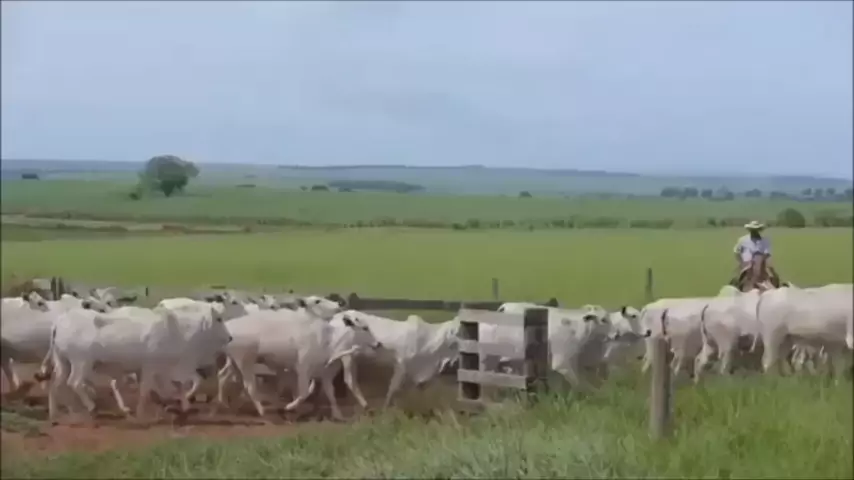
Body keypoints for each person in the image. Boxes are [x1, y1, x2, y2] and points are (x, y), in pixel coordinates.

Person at [732, 220, 777, 289]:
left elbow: (767, 253)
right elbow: (736, 251)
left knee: (772, 275)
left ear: (759, 230)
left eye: (756, 230)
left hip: (761, 262)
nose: (754, 232)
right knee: (737, 277)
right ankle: (735, 287)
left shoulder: (765, 240)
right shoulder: (742, 240)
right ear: (750, 230)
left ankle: (777, 286)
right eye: (752, 230)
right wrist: (742, 262)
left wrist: (759, 260)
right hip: (746, 262)